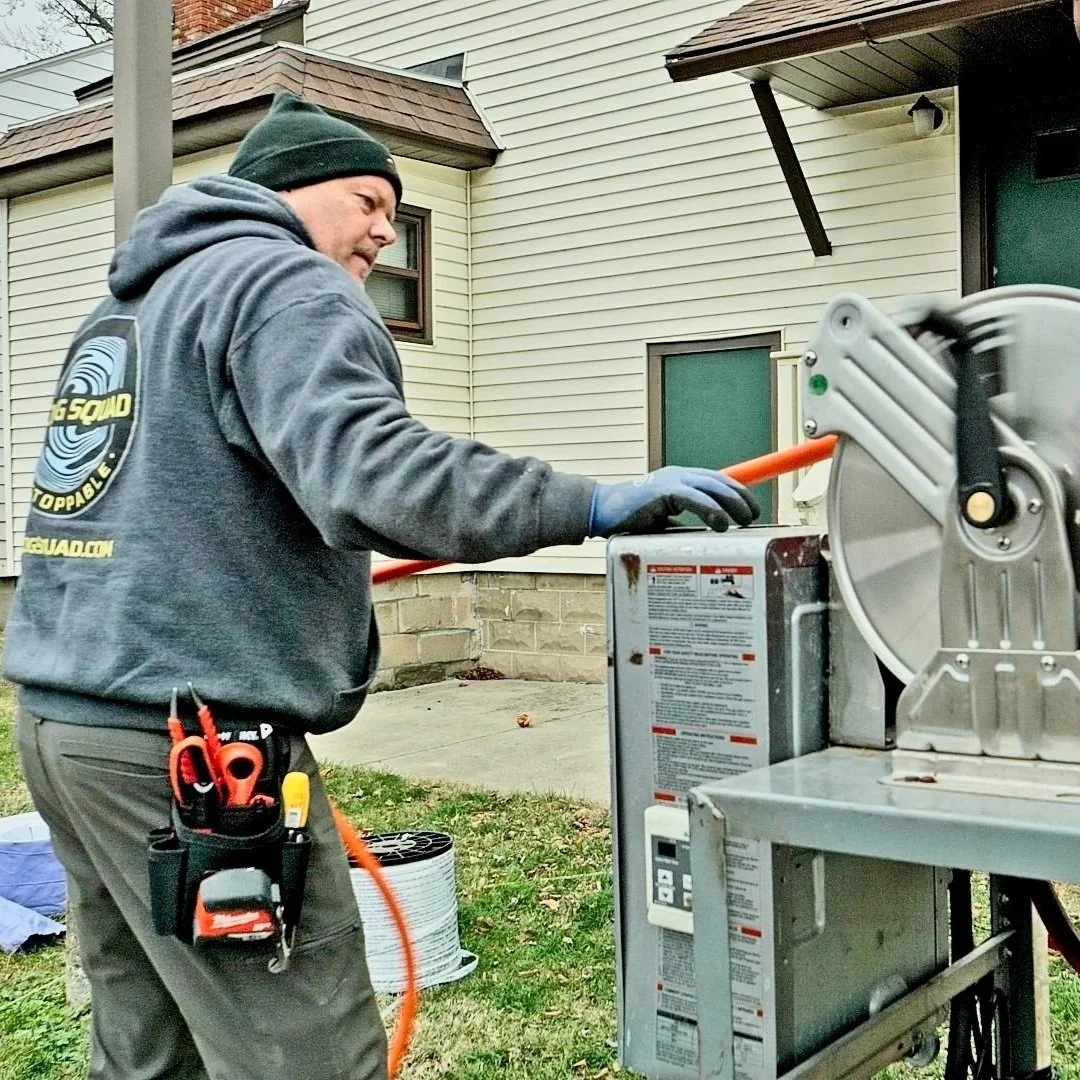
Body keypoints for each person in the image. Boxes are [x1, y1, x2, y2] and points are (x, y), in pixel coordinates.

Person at [1, 92, 758, 1080]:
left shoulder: (132, 309)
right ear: (286, 193)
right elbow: (376, 474)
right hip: (190, 753)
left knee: (146, 1045)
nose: (382, 230)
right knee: (306, 1051)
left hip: (66, 729)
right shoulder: (283, 283)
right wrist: (591, 502)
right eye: (365, 199)